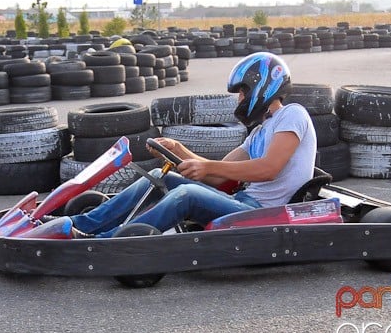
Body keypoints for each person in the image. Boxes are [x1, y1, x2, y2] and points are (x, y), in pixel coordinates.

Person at [67, 52, 317, 238]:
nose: (239, 99)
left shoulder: (292, 115)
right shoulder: (259, 132)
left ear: (262, 86)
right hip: (244, 201)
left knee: (186, 194)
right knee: (158, 176)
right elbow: (219, 175)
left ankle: (104, 242)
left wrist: (206, 167)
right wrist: (177, 149)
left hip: (265, 212)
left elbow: (269, 169)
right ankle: (79, 225)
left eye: (243, 91)